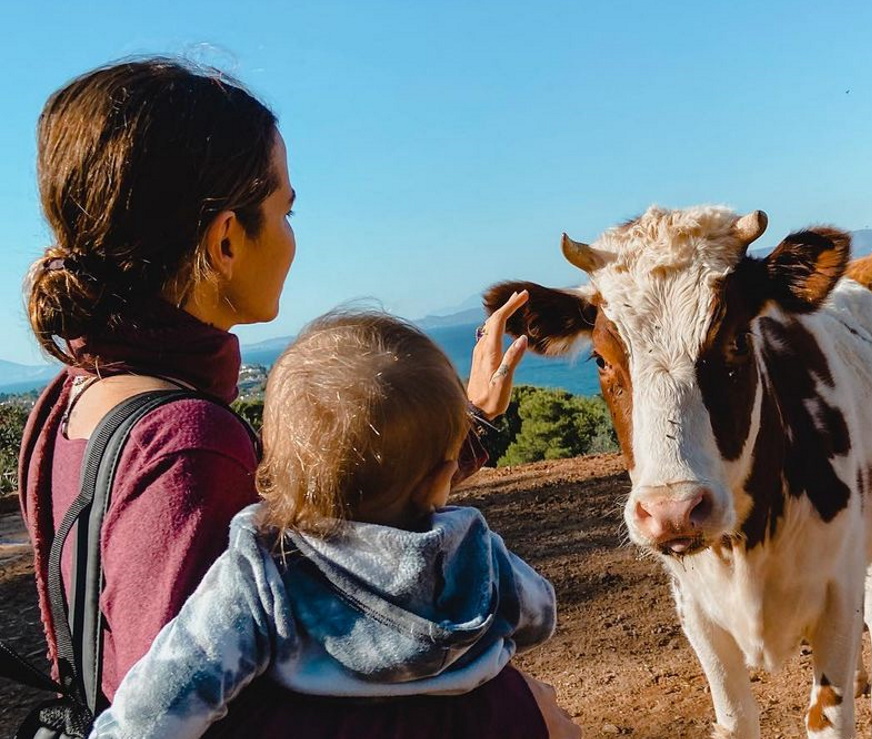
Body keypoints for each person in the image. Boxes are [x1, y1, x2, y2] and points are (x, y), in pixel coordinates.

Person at [20, 57, 578, 737]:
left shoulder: (66, 401)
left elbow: (335, 521)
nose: (291, 236)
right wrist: (514, 715)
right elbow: (223, 722)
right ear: (227, 238)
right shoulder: (187, 439)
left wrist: (472, 426)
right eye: (285, 210)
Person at [90, 310, 558, 737]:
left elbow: (165, 701)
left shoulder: (262, 571)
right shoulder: (479, 552)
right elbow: (538, 617)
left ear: (272, 463)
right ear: (443, 478)